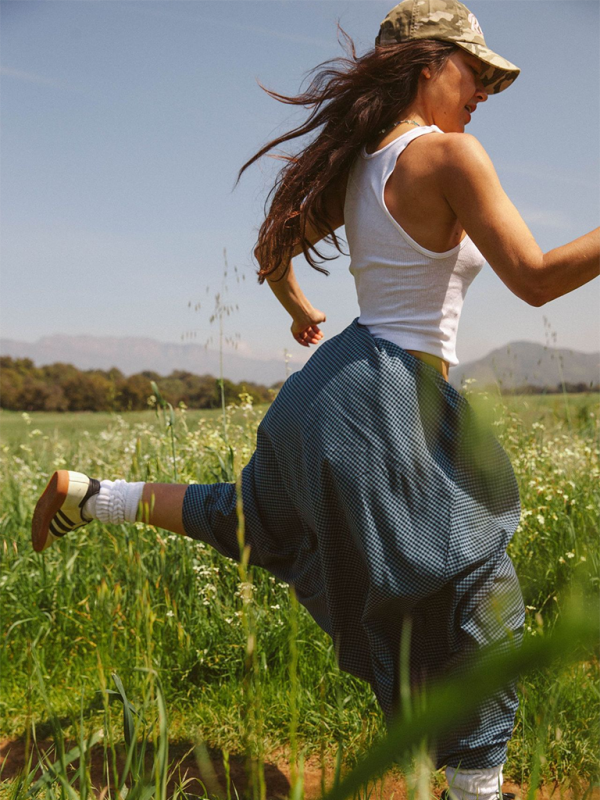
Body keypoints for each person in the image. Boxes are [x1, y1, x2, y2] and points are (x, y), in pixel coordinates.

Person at [30, 0, 600, 797]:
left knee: (251, 519)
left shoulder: (360, 170)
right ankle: (478, 790)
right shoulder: (451, 158)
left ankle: (90, 495)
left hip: (326, 391)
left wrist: (300, 312)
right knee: (481, 591)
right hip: (391, 396)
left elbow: (271, 248)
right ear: (428, 63)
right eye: (475, 74)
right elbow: (535, 276)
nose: (481, 96)